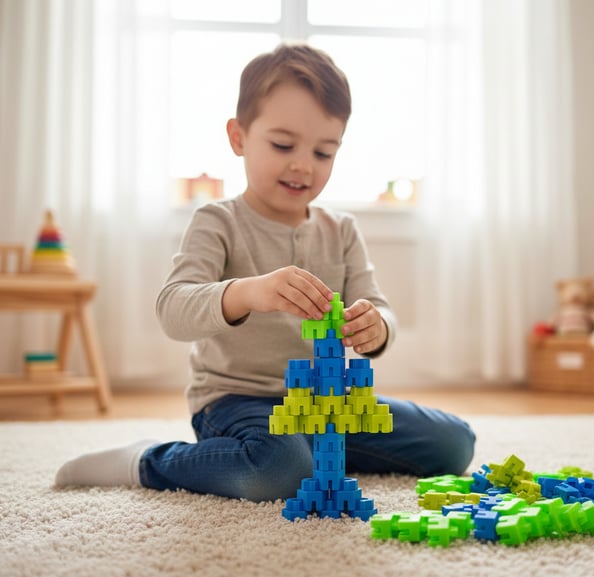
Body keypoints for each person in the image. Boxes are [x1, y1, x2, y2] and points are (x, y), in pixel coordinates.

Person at [55, 43, 475, 502]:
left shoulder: (342, 230)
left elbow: (379, 309)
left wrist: (375, 328)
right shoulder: (218, 221)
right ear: (238, 138)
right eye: (282, 144)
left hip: (326, 403)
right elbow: (172, 309)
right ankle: (148, 461)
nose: (302, 164)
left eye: (324, 152)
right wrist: (249, 293)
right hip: (238, 401)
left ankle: (313, 452)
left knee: (455, 443)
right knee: (278, 472)